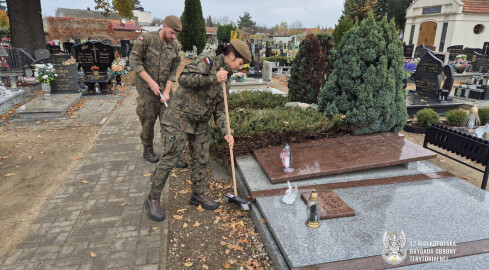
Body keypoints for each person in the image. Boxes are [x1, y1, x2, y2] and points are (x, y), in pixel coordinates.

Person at [144, 40, 252, 221]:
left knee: (201, 158)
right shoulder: (208, 60)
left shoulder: (227, 81)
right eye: (240, 64)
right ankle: (152, 197)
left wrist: (226, 131)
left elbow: (220, 110)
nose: (239, 68)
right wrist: (213, 78)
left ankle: (198, 194)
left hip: (200, 123)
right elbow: (184, 78)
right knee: (171, 158)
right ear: (232, 55)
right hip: (179, 117)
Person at [129, 15, 187, 168]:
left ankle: (171, 155)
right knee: (148, 121)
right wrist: (151, 82)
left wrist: (167, 92)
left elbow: (174, 70)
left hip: (165, 90)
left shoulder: (174, 45)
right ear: (164, 26)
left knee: (170, 123)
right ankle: (148, 150)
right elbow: (134, 61)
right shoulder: (147, 39)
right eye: (172, 33)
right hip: (147, 91)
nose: (173, 37)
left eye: (176, 34)